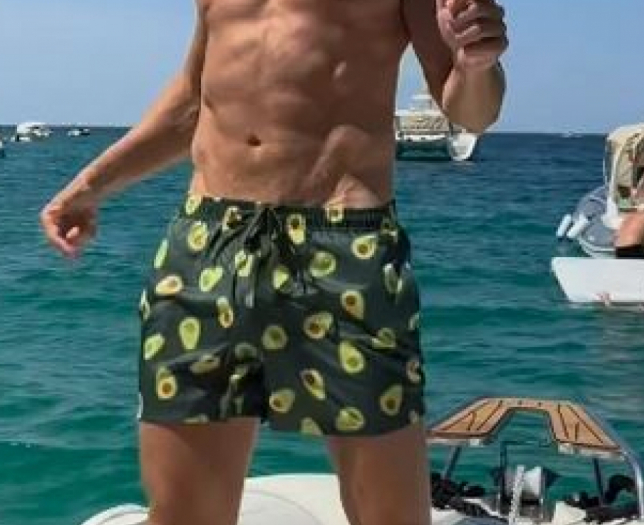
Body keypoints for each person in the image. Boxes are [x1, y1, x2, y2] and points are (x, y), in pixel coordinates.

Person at [40, 1, 507, 524]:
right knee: (183, 514)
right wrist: (90, 186)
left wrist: (476, 64)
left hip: (343, 244)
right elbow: (193, 101)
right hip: (207, 241)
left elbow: (471, 110)